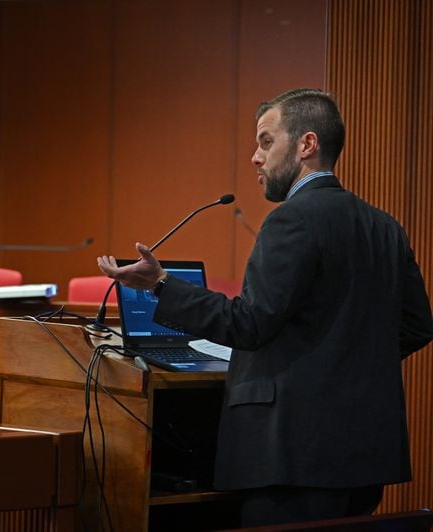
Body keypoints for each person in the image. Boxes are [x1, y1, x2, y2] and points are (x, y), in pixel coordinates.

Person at [98, 88, 433, 527]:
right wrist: (348, 365)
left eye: (266, 141)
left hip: (292, 453)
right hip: (365, 454)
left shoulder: (292, 219)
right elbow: (417, 325)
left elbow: (249, 324)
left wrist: (161, 284)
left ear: (306, 144)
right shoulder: (385, 227)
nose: (256, 157)